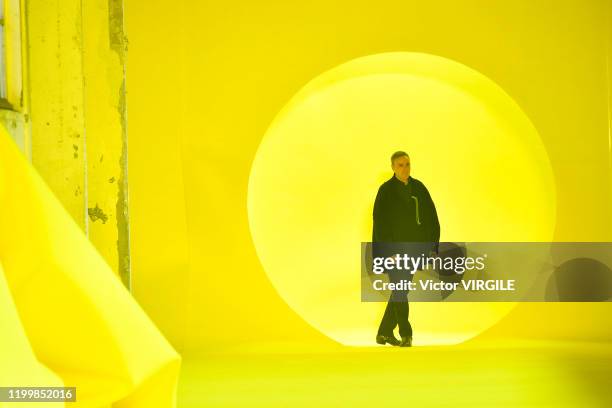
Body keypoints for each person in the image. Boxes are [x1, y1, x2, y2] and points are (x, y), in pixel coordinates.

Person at [373, 151, 440, 347]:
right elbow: (380, 222)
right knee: (400, 289)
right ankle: (406, 333)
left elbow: (431, 218)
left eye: (408, 164)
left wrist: (432, 245)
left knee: (401, 289)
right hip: (395, 251)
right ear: (393, 167)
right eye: (401, 165)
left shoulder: (419, 188)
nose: (405, 168)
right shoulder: (385, 190)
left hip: (415, 249)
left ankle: (384, 333)